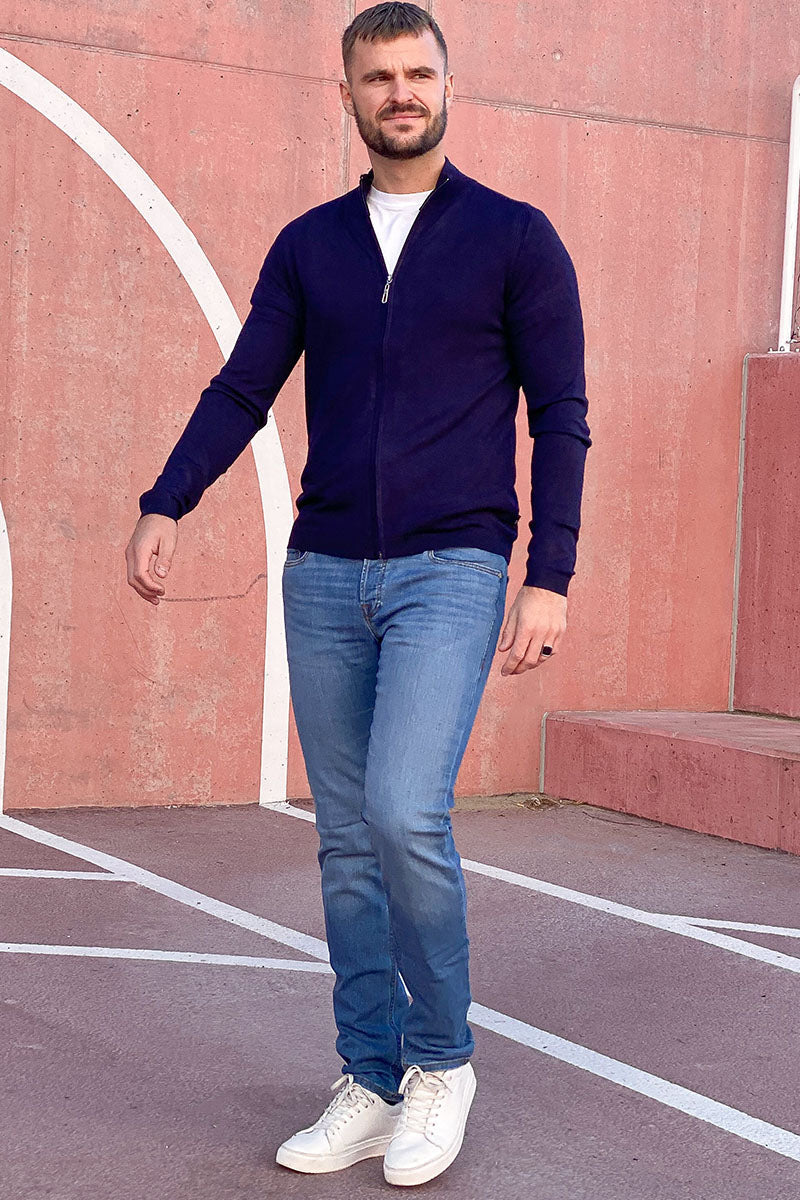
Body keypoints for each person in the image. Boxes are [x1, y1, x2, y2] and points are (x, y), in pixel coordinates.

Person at [125, 1, 591, 1187]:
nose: (399, 92)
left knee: (400, 812)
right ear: (346, 97)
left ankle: (441, 1062)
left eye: (416, 72)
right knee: (342, 843)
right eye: (376, 77)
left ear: (447, 86)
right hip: (325, 571)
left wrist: (548, 576)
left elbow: (561, 417)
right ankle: (370, 1077)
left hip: (453, 567)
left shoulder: (514, 239)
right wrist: (167, 499)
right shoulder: (309, 246)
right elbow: (243, 388)